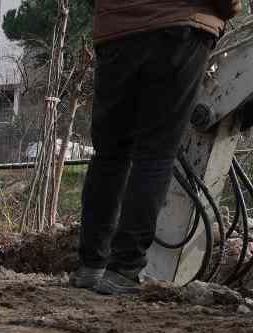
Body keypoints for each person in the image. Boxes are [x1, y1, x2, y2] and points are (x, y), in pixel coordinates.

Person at [76, 0, 235, 295]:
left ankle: (90, 266)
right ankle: (123, 268)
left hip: (116, 34)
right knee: (155, 153)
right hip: (179, 30)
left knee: (110, 153)